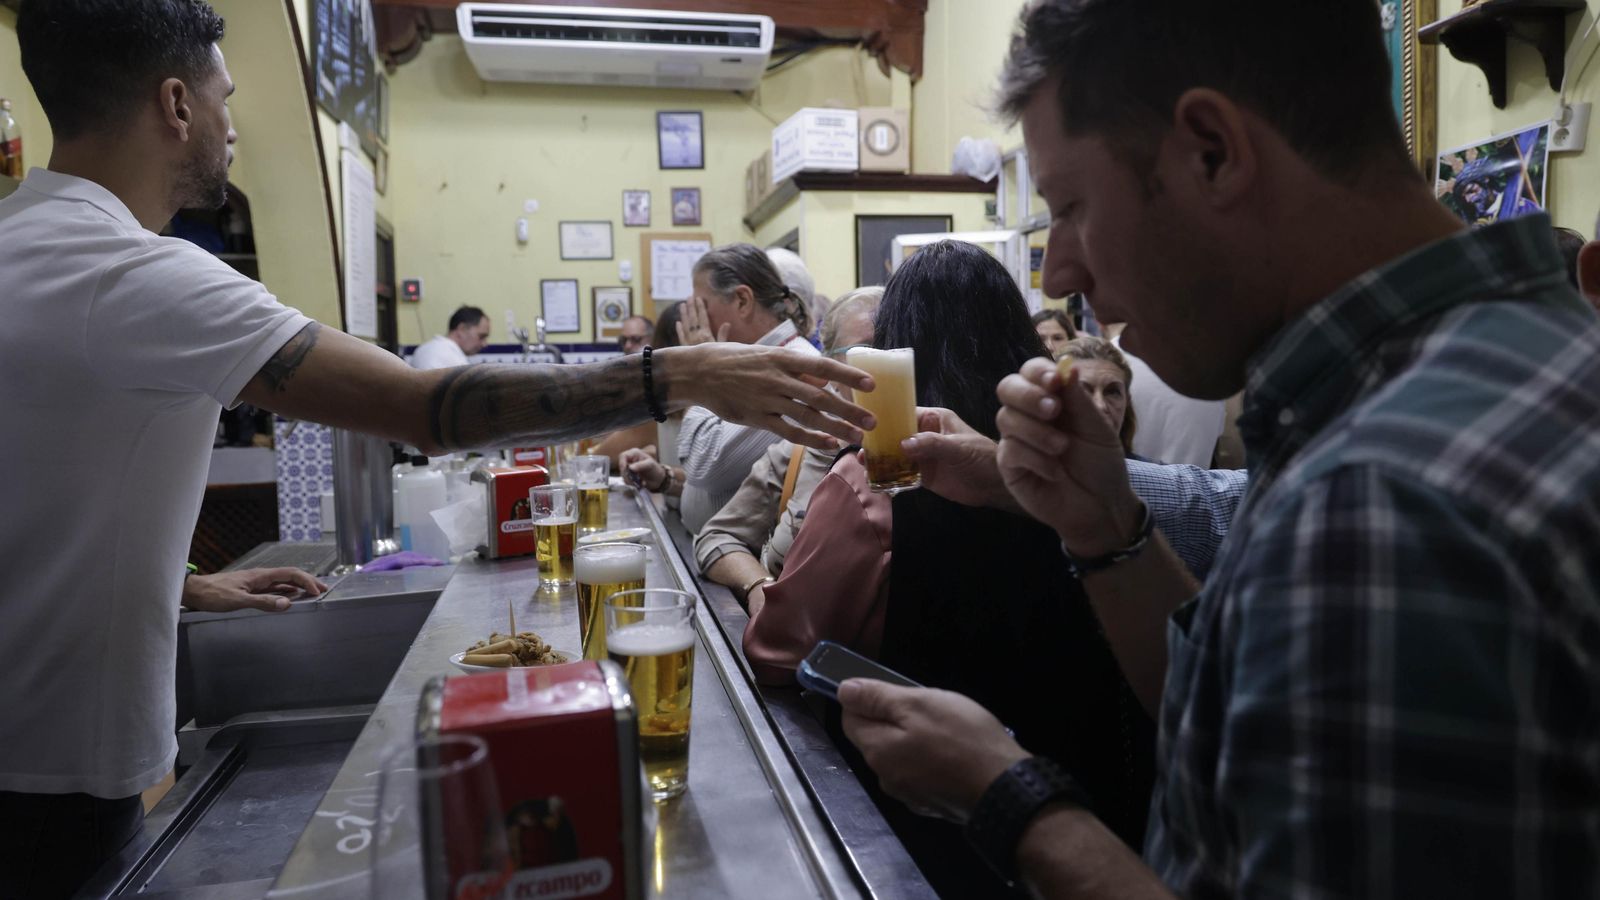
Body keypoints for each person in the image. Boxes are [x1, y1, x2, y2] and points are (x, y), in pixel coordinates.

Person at [0, 5, 874, 894]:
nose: (232, 125)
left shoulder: (25, 246)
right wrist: (673, 375)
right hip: (47, 777)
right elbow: (424, 408)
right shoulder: (134, 272)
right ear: (178, 104)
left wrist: (176, 584)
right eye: (226, 98)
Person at [838, 1, 1600, 897]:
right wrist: (1102, 524)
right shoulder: (1508, 359)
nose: (1058, 275)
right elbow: (1258, 733)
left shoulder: (1373, 504)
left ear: (1213, 151)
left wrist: (1005, 797)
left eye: (1073, 207)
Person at [745, 240, 1155, 896]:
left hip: (923, 833)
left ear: (895, 346)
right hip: (1096, 814)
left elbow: (777, 650)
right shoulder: (1073, 470)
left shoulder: (882, 470)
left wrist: (756, 588)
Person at [693, 287, 882, 599]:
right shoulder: (800, 450)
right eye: (866, 351)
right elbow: (717, 537)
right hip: (793, 641)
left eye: (896, 347)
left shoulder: (925, 456)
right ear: (829, 370)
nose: (884, 364)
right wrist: (758, 588)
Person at [673, 243, 819, 532]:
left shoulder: (791, 366)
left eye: (700, 306)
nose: (693, 321)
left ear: (742, 300)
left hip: (752, 567)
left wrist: (700, 371)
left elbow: (705, 466)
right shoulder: (750, 363)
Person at [582, 314, 658, 470]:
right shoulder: (621, 378)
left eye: (636, 339)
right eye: (624, 341)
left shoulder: (658, 380)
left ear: (653, 339)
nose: (628, 346)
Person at [1054, 336, 1139, 458]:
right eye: (1082, 390)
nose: (1100, 405)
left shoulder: (1159, 475)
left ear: (1127, 401)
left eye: (1113, 392)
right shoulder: (1031, 472)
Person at [409, 304, 491, 369]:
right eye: (481, 336)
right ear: (462, 329)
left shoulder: (426, 348)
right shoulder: (454, 362)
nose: (484, 344)